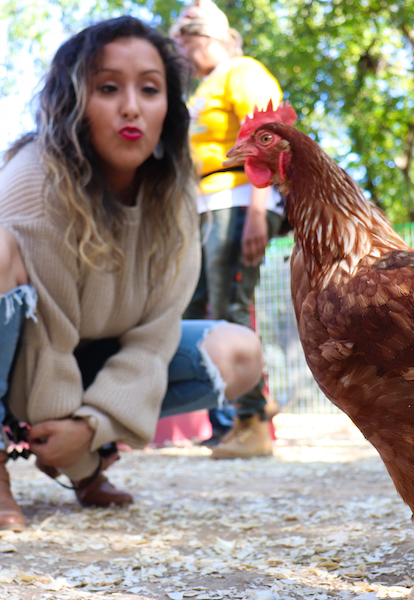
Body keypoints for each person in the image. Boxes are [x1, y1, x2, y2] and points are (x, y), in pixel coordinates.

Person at [0, 16, 266, 534]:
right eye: (109, 88)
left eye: (150, 89)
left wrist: (91, 429)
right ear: (75, 103)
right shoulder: (35, 178)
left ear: (169, 108)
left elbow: (154, 337)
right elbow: (45, 342)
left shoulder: (178, 194)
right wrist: (78, 459)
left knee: (239, 352)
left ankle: (88, 451)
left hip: (78, 356)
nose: (132, 106)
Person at [170, 0, 284, 458]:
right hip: (204, 207)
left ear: (209, 38)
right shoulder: (201, 89)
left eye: (185, 44)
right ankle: (247, 411)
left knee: (229, 307)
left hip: (239, 200)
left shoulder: (242, 70)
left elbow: (270, 133)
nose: (181, 54)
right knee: (197, 311)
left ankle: (254, 423)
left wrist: (259, 210)